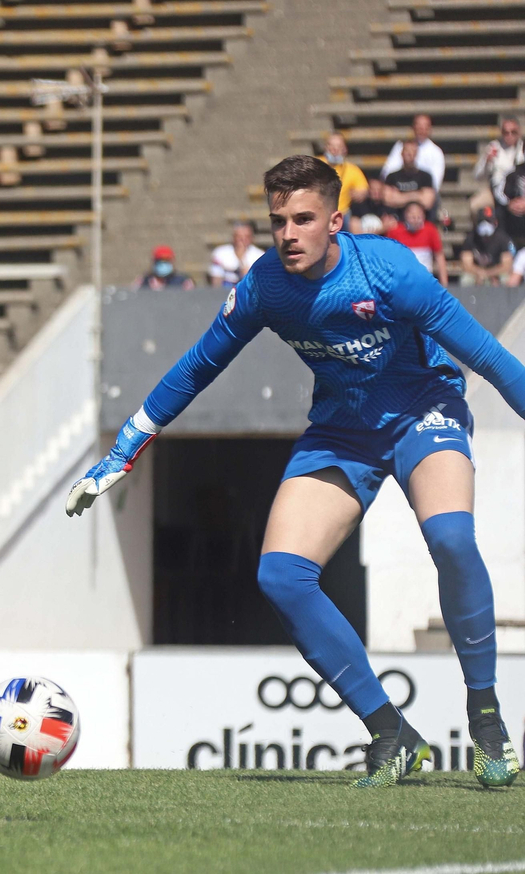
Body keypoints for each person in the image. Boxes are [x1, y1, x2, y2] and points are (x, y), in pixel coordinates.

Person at [67, 155, 525, 789]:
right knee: (281, 575)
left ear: (335, 220)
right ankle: (392, 734)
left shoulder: (392, 272)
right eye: (278, 220)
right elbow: (198, 367)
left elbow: (493, 359)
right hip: (341, 430)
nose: (288, 234)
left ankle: (486, 719)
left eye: (303, 219)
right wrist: (124, 448)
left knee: (450, 539)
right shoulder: (264, 287)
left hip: (423, 413)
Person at [385, 203, 448, 285]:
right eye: (412, 217)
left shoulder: (430, 230)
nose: (415, 220)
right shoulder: (395, 231)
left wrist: (444, 283)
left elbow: (439, 256)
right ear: (406, 216)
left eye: (418, 217)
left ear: (423, 216)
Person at [382, 113, 446, 194]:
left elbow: (435, 183)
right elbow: (387, 171)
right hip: (399, 190)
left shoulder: (436, 152)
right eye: (419, 127)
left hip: (422, 195)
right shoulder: (401, 146)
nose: (422, 130)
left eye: (425, 127)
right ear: (413, 128)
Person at [472, 116, 522, 213]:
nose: (509, 135)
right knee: (474, 205)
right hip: (495, 191)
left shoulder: (522, 150)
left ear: (519, 132)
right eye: (506, 132)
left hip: (518, 192)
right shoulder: (494, 147)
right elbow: (477, 176)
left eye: (513, 132)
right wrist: (487, 162)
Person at [459, 206, 516, 287]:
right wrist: (479, 273)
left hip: (497, 272)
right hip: (477, 272)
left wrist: (489, 273)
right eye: (482, 222)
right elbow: (466, 264)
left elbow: (507, 265)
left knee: (506, 279)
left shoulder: (502, 238)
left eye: (488, 221)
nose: (485, 225)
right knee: (466, 280)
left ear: (495, 223)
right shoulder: (471, 238)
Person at [321, 131, 368, 214]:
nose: (334, 150)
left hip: (341, 213)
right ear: (325, 147)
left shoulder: (352, 169)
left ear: (345, 150)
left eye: (338, 146)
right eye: (331, 146)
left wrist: (360, 194)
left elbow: (363, 189)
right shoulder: (315, 164)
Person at [381, 141, 436, 213]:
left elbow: (427, 202)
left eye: (413, 151)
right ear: (402, 154)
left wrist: (399, 197)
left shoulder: (425, 177)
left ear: (416, 154)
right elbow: (387, 199)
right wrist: (418, 195)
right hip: (397, 220)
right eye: (407, 151)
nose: (410, 154)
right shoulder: (392, 177)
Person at [208, 221, 263, 288]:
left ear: (252, 238)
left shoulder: (259, 255)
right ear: (233, 237)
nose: (242, 240)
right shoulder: (220, 253)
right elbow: (216, 281)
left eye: (246, 237)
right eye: (239, 236)